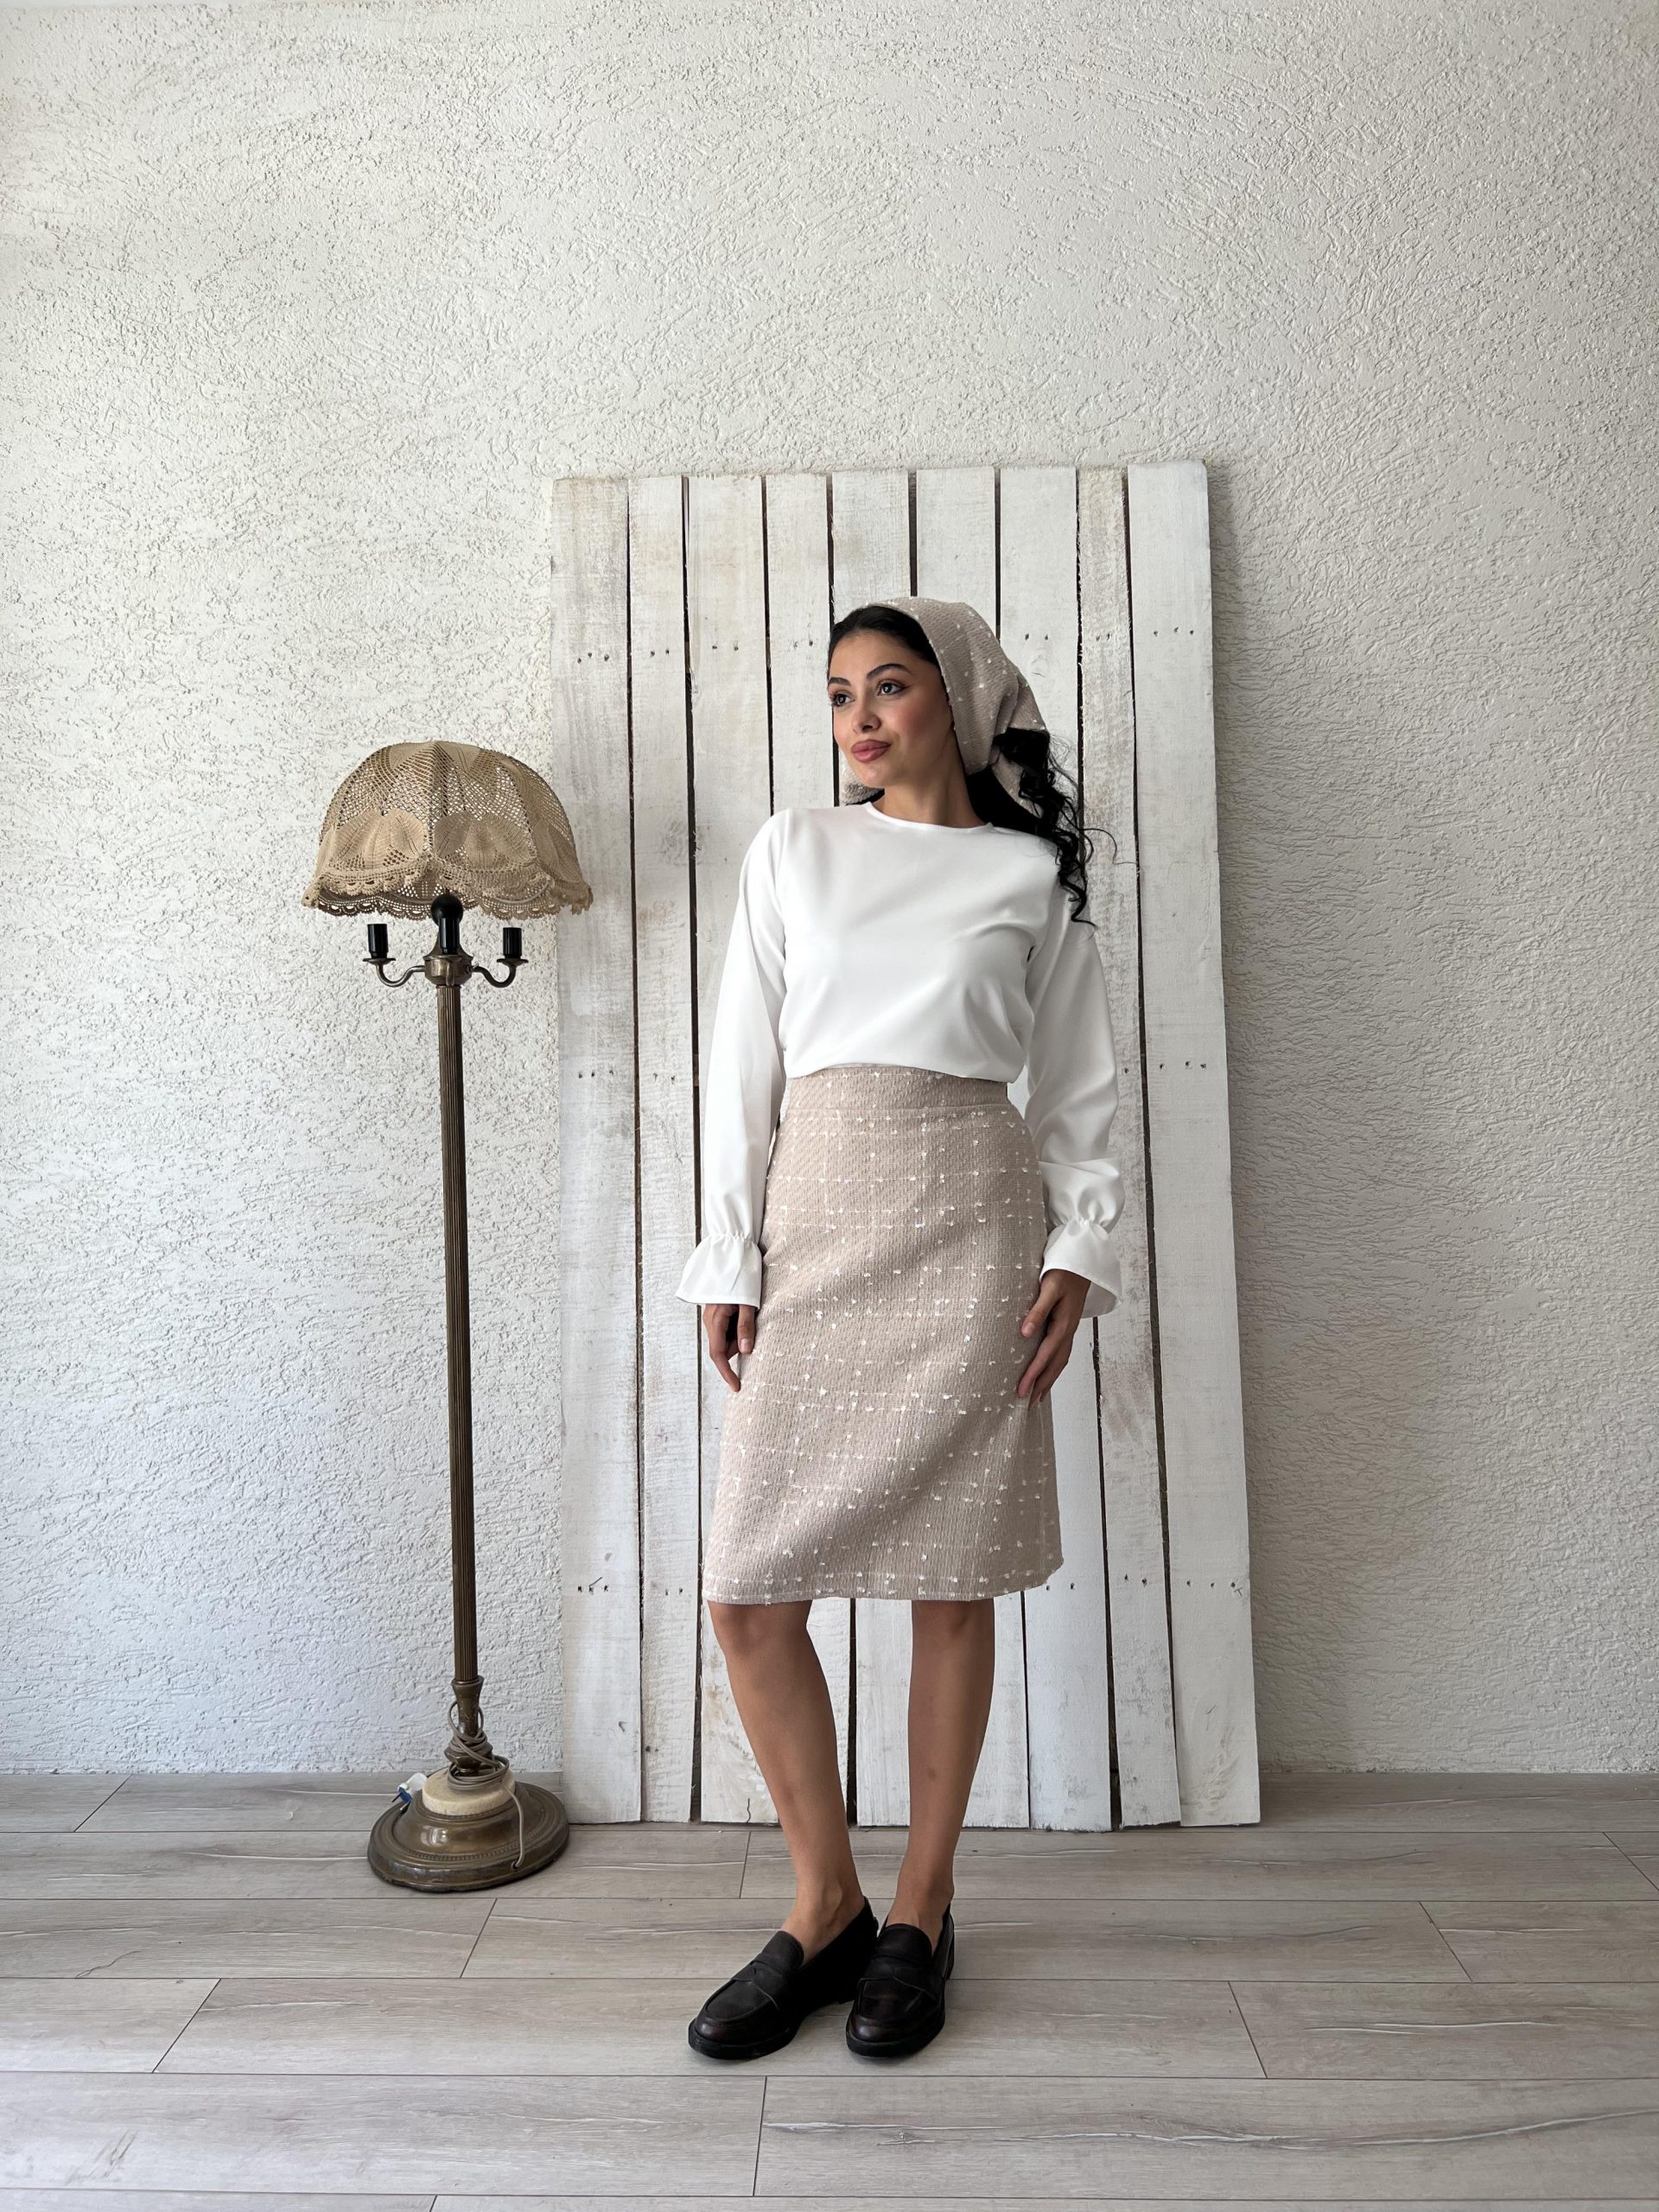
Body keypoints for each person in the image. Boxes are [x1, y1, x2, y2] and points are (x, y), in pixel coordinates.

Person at [677, 596, 1125, 2063]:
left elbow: (1079, 1090)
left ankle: (921, 1913)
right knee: (748, 1596)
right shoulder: (794, 849)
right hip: (819, 1223)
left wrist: (1077, 1250)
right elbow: (740, 1064)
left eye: (887, 686)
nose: (858, 718)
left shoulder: (1027, 875)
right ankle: (826, 1909)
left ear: (960, 699)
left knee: (952, 1586)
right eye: (837, 694)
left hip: (973, 1231)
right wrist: (727, 1254)